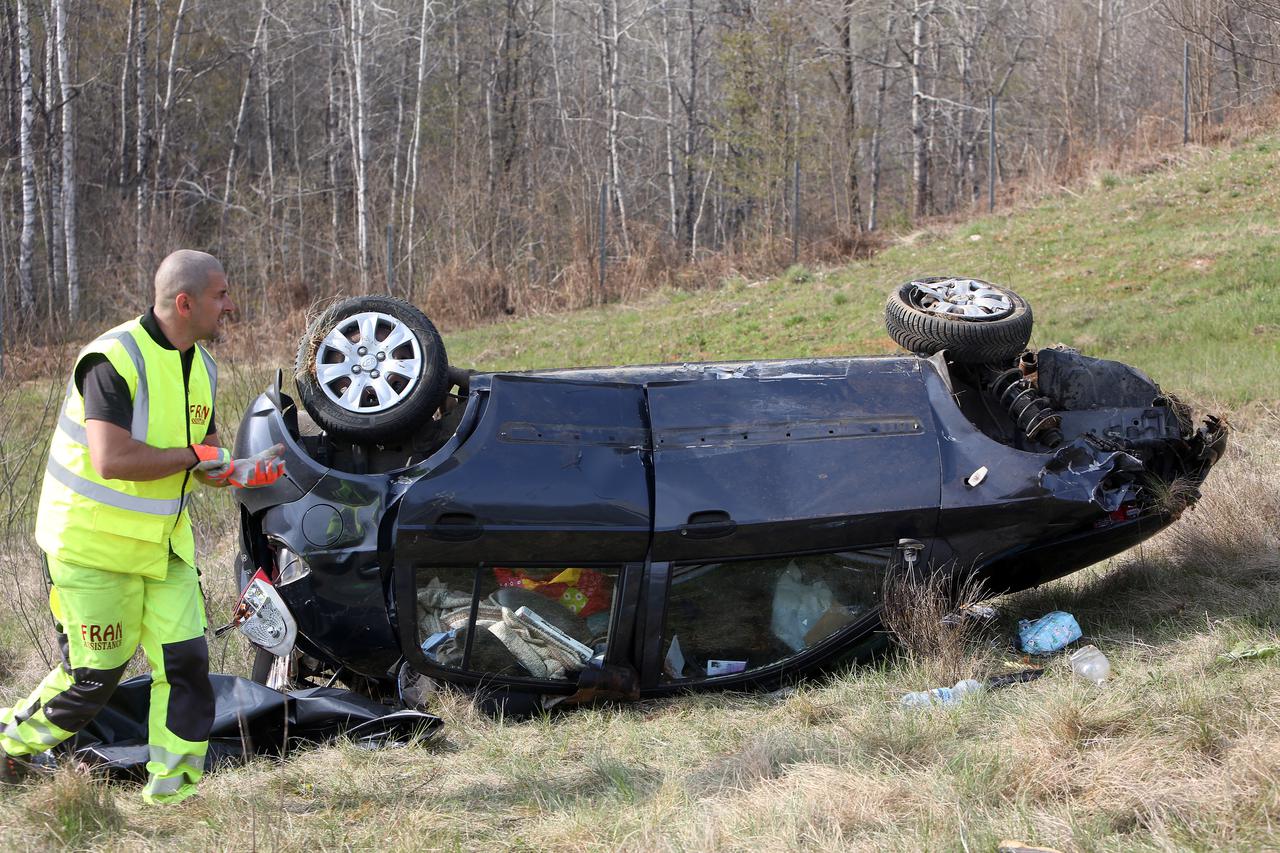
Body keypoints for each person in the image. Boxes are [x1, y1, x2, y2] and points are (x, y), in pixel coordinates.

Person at [0, 250, 285, 804]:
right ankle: (11, 745)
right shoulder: (112, 361)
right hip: (90, 550)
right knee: (92, 679)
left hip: (163, 552)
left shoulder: (201, 367)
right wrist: (195, 454)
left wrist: (235, 470)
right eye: (220, 295)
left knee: (186, 669)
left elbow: (188, 460)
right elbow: (113, 460)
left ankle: (171, 797)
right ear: (185, 302)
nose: (230, 305)